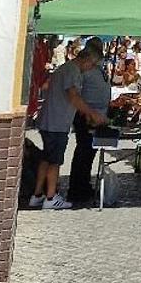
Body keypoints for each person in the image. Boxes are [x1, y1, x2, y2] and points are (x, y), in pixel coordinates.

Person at [30, 43, 107, 209]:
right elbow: (73, 97)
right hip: (56, 122)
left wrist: (87, 113)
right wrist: (92, 113)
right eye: (92, 65)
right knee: (55, 161)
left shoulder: (69, 69)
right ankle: (51, 197)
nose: (91, 68)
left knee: (46, 158)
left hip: (52, 120)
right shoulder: (72, 71)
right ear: (86, 59)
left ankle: (37, 194)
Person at [67, 39, 113, 205]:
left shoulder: (98, 68)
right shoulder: (84, 71)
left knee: (89, 153)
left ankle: (84, 185)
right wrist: (87, 113)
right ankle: (77, 189)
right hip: (87, 116)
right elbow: (76, 94)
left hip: (98, 114)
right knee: (83, 153)